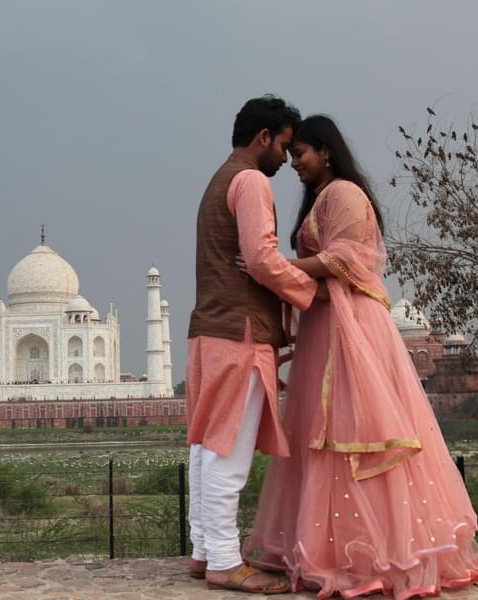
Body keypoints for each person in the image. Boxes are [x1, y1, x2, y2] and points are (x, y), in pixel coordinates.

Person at [242, 115, 478, 599]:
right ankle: (333, 553)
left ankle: (381, 555)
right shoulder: (324, 197)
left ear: (327, 151)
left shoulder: (344, 194)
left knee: (357, 435)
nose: (295, 163)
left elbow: (346, 260)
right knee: (325, 436)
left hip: (350, 326)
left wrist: (276, 268)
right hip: (327, 324)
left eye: (302, 154)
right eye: (291, 155)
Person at [186, 96, 323, 593]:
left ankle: (205, 551)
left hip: (210, 331)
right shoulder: (249, 181)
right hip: (239, 336)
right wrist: (314, 294)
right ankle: (224, 560)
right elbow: (262, 259)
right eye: (285, 146)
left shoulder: (218, 179)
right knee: (228, 450)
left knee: (206, 448)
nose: (287, 161)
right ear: (264, 138)